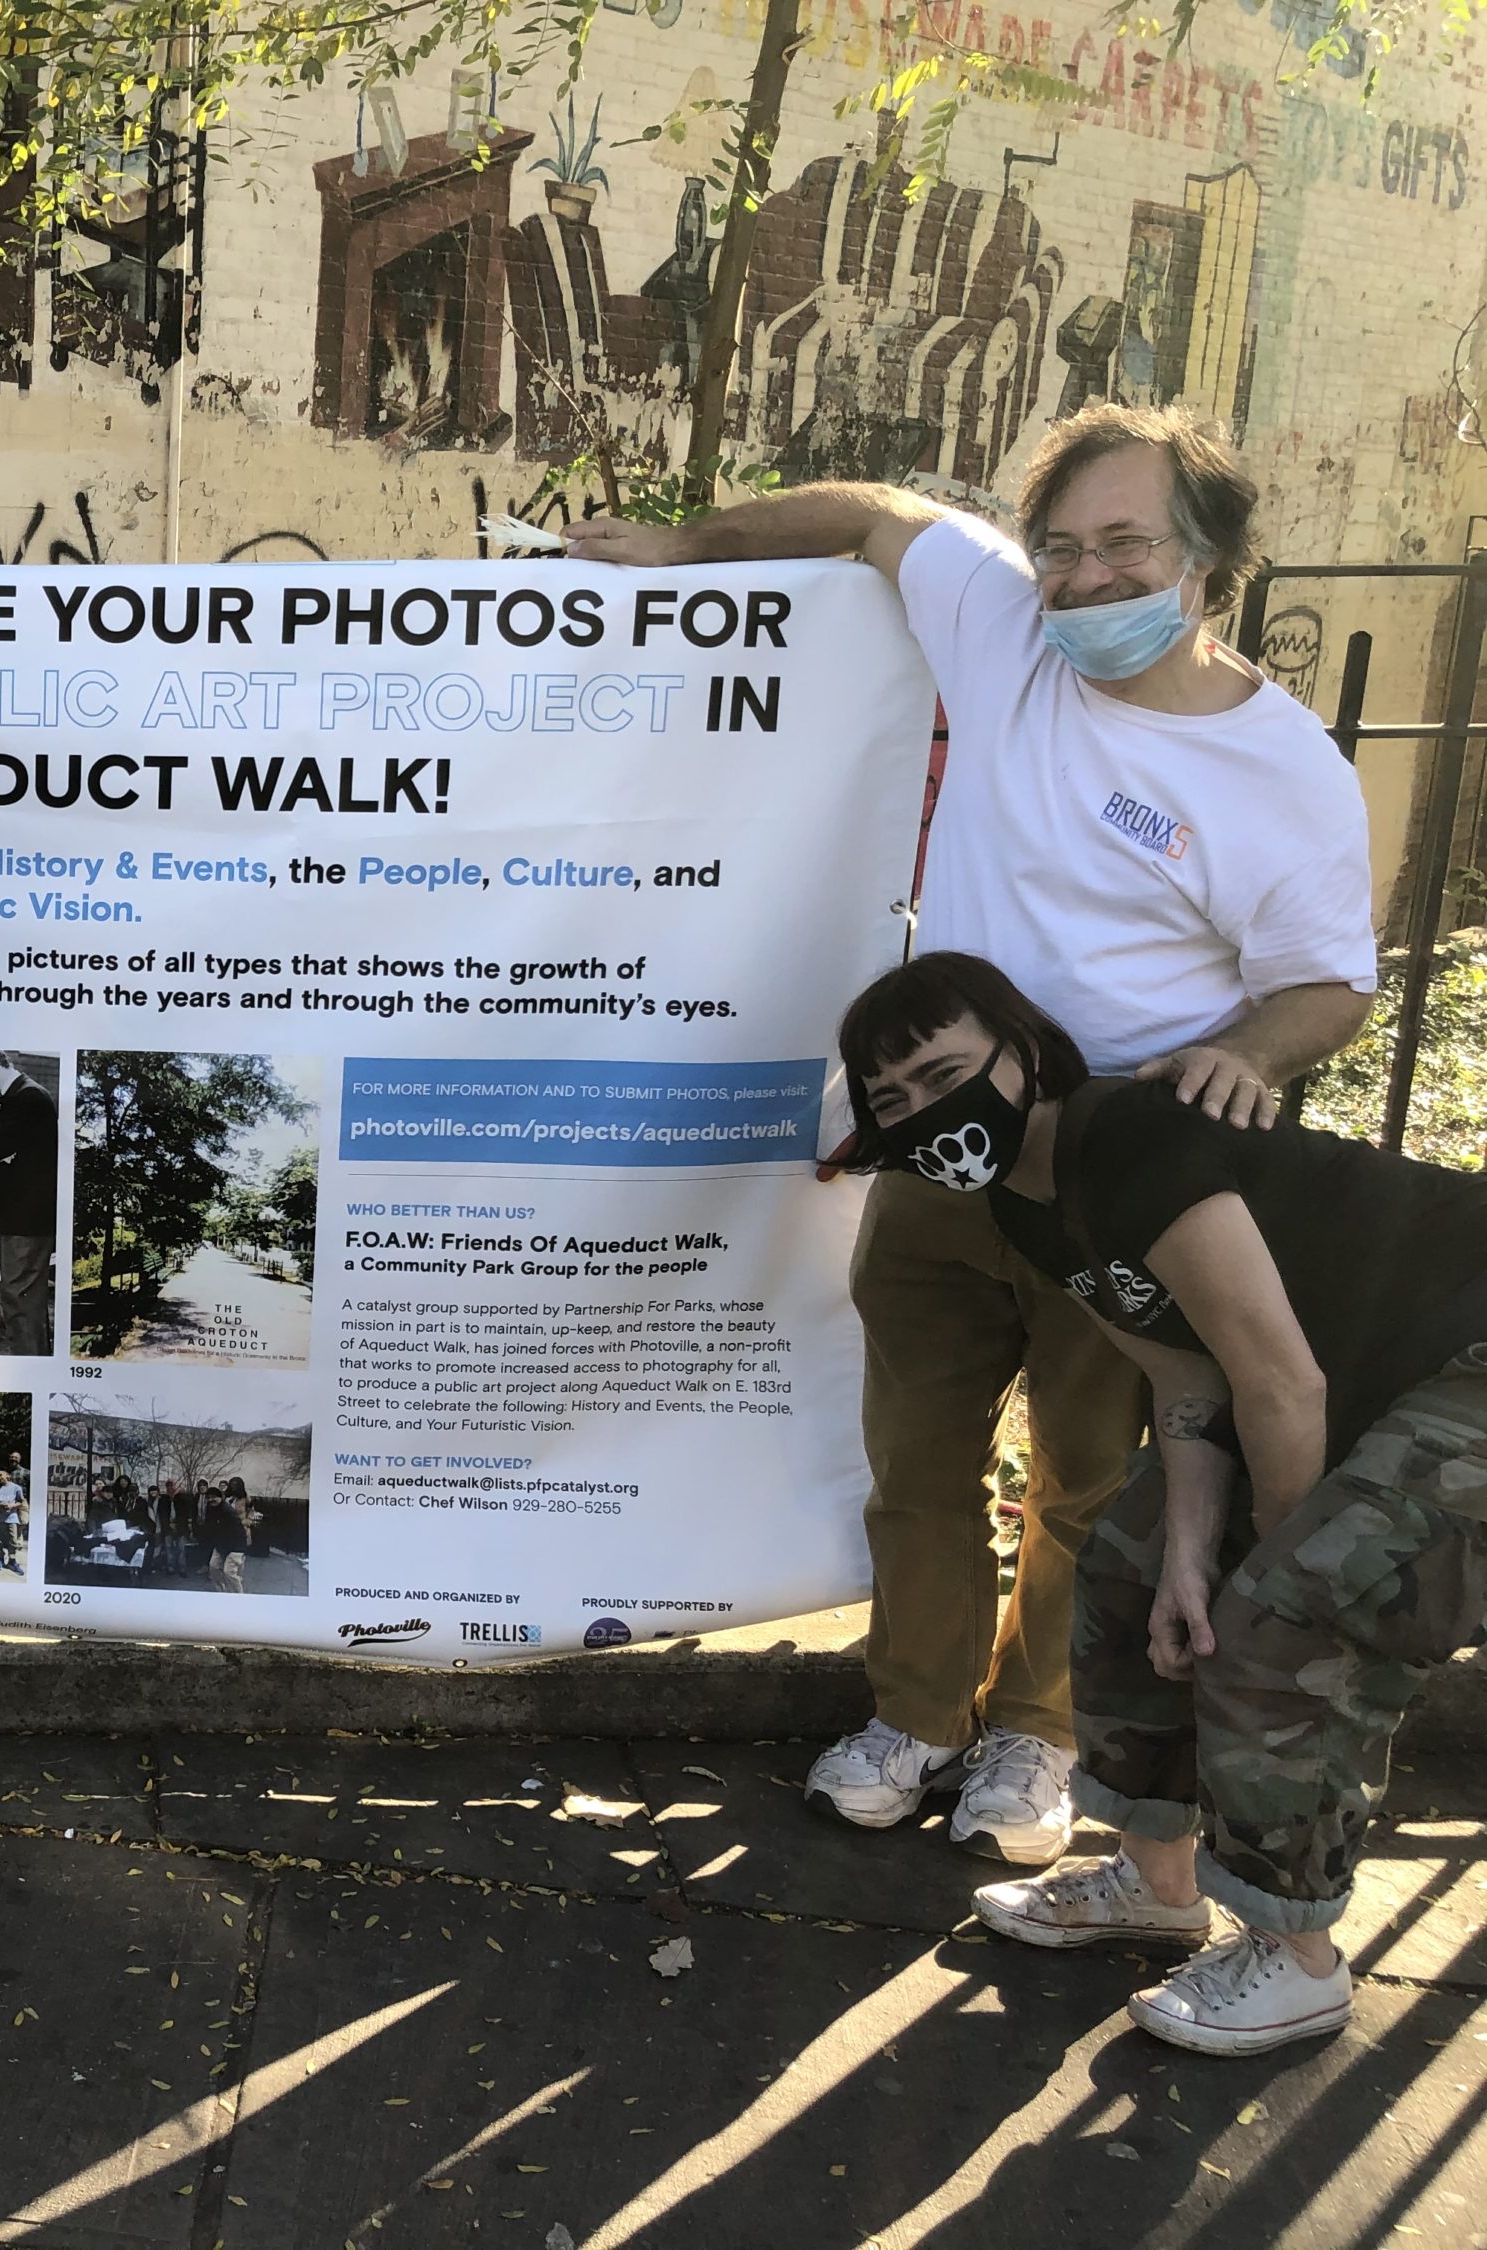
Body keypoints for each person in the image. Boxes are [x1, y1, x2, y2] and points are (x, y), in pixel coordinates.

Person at [571, 404, 1376, 1863]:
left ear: (1206, 561)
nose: (1082, 579)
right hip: (941, 1161)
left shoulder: (1284, 767)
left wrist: (1243, 1055)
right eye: (1060, 546)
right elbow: (875, 513)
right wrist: (688, 546)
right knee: (920, 1457)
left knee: (1089, 1476)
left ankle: (1037, 1735)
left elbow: (1328, 983)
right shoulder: (1004, 632)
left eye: (1126, 544)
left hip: (1122, 1190)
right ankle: (917, 1713)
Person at [840, 952, 1487, 2055]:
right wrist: (1189, 1555)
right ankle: (1157, 1880)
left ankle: (1299, 1958)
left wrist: (1254, 1575)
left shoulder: (1128, 1139)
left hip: (1458, 1362)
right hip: (1352, 1386)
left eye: (945, 1073)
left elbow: (1281, 1382)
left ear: (1025, 1054)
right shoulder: (1027, 1201)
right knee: (1129, 1558)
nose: (922, 1114)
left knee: (1293, 1611)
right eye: (890, 1101)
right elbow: (1190, 1383)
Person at [0, 1055, 58, 1353]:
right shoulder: (11, 1097)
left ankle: (28, 1372)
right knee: (23, 1298)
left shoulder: (28, 1098)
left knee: (18, 1297)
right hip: (16, 1217)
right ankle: (33, 1364)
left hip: (24, 1219)